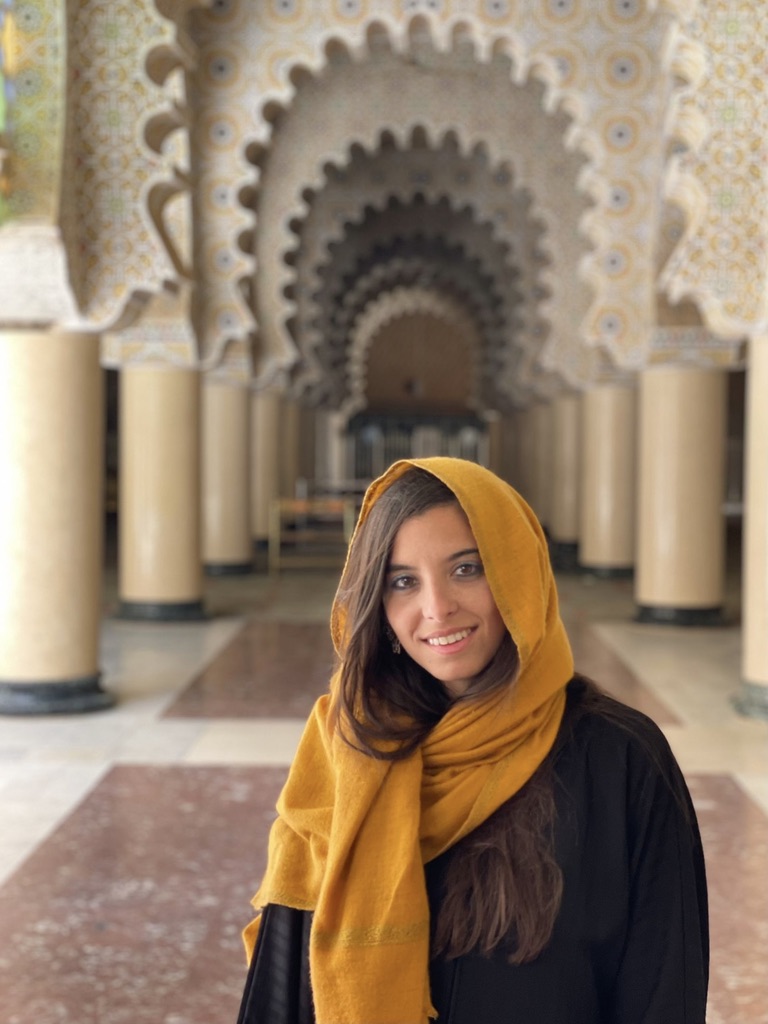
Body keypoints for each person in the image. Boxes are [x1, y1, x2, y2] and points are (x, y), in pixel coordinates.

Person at [236, 457, 709, 1024]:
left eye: (467, 569)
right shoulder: (343, 749)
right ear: (378, 607)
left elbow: (662, 991)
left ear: (519, 575)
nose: (437, 608)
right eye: (402, 581)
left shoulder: (620, 758)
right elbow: (284, 977)